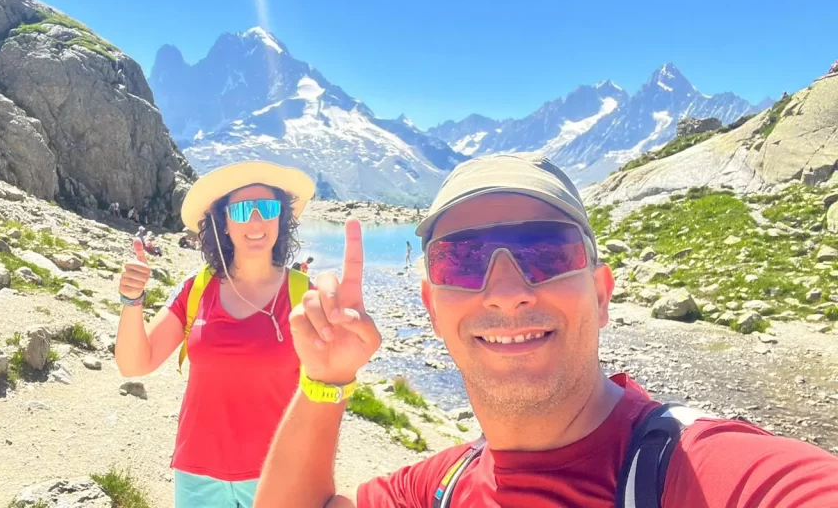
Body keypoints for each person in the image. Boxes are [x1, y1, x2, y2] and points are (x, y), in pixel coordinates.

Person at [253, 154, 838, 508]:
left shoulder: (701, 474)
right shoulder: (442, 486)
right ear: (432, 306)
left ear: (601, 293)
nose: (506, 291)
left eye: (545, 251)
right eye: (462, 259)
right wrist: (324, 380)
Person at [116, 160, 317, 508]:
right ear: (223, 223)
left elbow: (324, 393)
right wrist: (132, 300)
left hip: (278, 476)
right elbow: (136, 363)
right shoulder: (198, 288)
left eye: (267, 208)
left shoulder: (304, 295)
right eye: (241, 210)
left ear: (280, 219)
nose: (255, 221)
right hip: (198, 476)